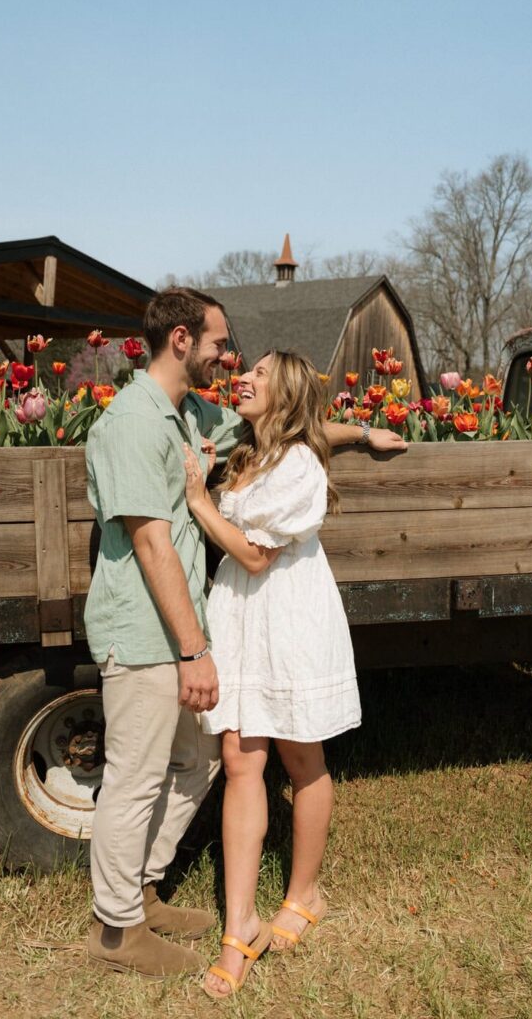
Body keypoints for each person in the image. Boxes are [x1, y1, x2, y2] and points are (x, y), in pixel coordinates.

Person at [84, 288, 406, 979]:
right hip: (150, 626)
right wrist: (196, 647)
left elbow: (293, 429)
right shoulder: (137, 424)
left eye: (239, 356)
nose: (228, 359)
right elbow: (151, 544)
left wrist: (363, 435)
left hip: (205, 624)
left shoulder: (192, 414)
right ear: (180, 340)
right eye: (218, 344)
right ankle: (116, 929)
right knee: (138, 777)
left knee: (198, 762)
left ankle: (141, 892)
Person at [181, 350, 363, 999]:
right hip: (240, 617)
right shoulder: (248, 450)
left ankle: (305, 890)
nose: (245, 379)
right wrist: (366, 430)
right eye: (246, 371)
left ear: (283, 394)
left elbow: (256, 556)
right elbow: (327, 425)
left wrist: (201, 503)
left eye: (258, 375)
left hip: (287, 617)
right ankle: (241, 926)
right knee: (238, 758)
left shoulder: (300, 464)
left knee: (299, 752)